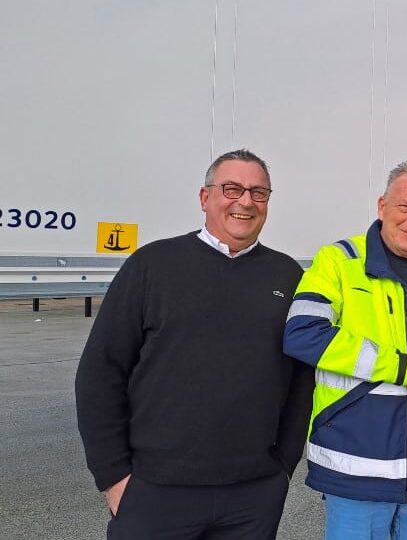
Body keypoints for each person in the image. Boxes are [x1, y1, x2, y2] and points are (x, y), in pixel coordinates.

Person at [75, 149, 314, 540]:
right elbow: (101, 373)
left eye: (258, 192)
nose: (245, 202)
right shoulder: (152, 265)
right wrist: (114, 476)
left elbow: (301, 382)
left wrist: (283, 468)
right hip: (155, 490)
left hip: (253, 496)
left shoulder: (288, 276)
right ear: (205, 197)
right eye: (232, 189)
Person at [283, 161, 407, 539]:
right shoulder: (339, 261)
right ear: (382, 205)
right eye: (405, 206)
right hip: (358, 466)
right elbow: (302, 333)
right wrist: (403, 368)